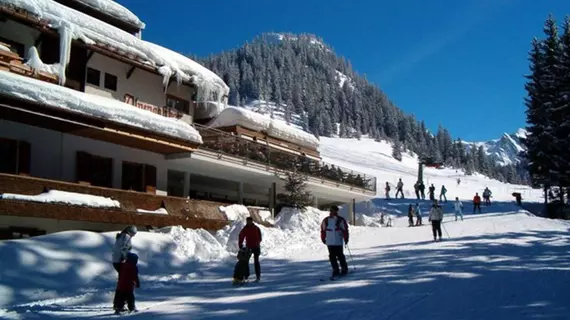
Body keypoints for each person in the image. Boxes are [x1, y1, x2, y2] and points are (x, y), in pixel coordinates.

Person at [320, 205, 349, 277]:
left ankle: (344, 269)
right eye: (331, 210)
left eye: (334, 210)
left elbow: (345, 230)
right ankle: (335, 270)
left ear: (337, 211)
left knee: (340, 256)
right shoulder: (326, 220)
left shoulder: (340, 220)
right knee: (332, 257)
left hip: (338, 241)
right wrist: (323, 238)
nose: (332, 212)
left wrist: (346, 238)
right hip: (330, 242)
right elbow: (323, 230)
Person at [238, 217, 262, 282]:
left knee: (256, 261)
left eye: (249, 221)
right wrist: (240, 244)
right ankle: (246, 276)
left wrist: (257, 242)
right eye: (247, 221)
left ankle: (258, 276)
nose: (248, 223)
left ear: (252, 221)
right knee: (246, 261)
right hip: (249, 247)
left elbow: (260, 237)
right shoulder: (245, 229)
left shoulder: (256, 228)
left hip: (256, 247)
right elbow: (241, 236)